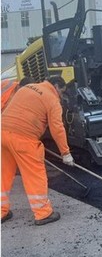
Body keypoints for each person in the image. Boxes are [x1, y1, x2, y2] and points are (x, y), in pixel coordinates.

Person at [1, 76, 74, 225]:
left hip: (3, 133)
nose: (61, 96)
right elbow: (57, 129)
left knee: (3, 175)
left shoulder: (25, 89)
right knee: (35, 175)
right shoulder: (52, 99)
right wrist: (65, 153)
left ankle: (1, 211)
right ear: (56, 86)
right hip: (24, 140)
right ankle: (43, 213)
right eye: (61, 92)